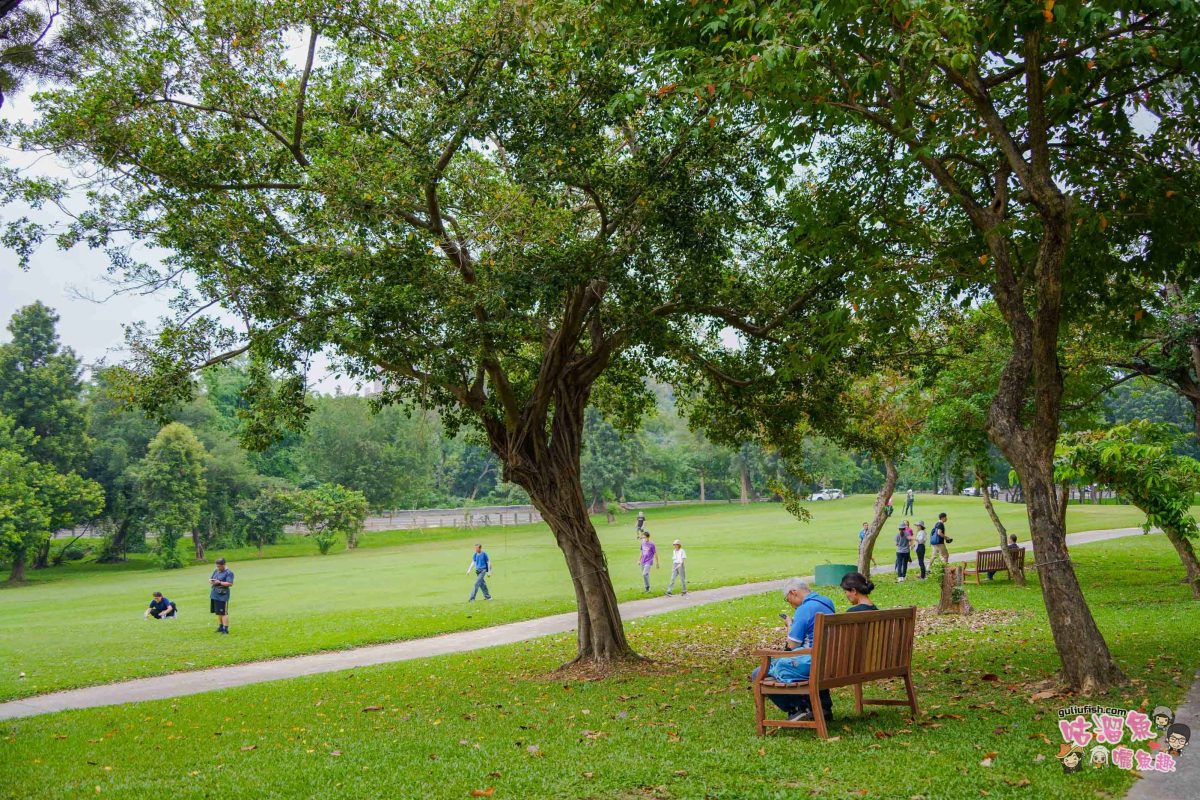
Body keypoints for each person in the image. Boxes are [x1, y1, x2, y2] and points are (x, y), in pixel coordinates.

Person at [749, 578, 836, 723]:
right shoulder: (827, 602)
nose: (789, 603)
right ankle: (823, 707)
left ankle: (798, 708)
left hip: (813, 663)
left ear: (793, 593)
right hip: (831, 661)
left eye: (787, 599)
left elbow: (792, 645)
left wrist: (789, 625)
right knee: (810, 660)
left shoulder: (804, 609)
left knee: (758, 673)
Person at [210, 557, 234, 634]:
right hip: (215, 594)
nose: (218, 568)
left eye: (219, 566)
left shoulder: (229, 573)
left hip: (222, 596)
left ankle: (225, 629)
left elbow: (230, 583)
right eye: (217, 566)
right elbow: (211, 579)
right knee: (218, 612)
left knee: (223, 612)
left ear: (224, 565)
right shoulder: (216, 571)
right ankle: (220, 627)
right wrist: (211, 581)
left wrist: (219, 582)